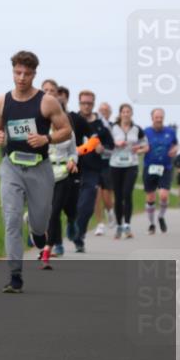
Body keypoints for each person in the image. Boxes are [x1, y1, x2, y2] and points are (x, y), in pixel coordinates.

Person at [0, 51, 71, 293]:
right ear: (13, 71)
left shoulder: (47, 102)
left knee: (40, 220)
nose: (21, 77)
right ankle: (15, 275)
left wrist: (47, 138)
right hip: (11, 167)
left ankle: (37, 232)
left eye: (26, 73)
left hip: (39, 168)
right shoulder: (2, 101)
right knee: (11, 219)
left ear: (34, 74)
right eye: (17, 72)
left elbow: (65, 130)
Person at [41, 81, 80, 263]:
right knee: (43, 212)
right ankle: (38, 232)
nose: (49, 93)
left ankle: (49, 249)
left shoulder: (66, 122)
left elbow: (73, 150)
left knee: (55, 211)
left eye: (52, 91)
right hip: (42, 172)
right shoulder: (37, 122)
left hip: (63, 172)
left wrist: (72, 161)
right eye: (45, 90)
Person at [70, 90, 113, 253]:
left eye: (89, 103)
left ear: (93, 104)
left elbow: (111, 147)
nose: (86, 106)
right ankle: (69, 228)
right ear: (79, 103)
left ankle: (79, 236)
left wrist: (103, 149)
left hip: (93, 170)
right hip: (72, 167)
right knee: (71, 204)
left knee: (87, 206)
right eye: (84, 103)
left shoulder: (101, 125)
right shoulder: (72, 119)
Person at [109, 103, 148, 239]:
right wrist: (115, 143)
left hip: (131, 164)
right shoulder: (113, 128)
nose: (126, 114)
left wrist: (139, 149)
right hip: (115, 164)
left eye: (128, 112)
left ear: (131, 114)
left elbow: (146, 146)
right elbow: (106, 143)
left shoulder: (137, 129)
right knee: (118, 196)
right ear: (120, 114)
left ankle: (127, 225)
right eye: (123, 112)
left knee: (127, 193)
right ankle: (119, 226)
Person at [143, 108, 179, 234]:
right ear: (152, 118)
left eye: (161, 117)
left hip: (166, 167)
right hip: (149, 167)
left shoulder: (170, 131)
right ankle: (152, 224)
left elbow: (176, 144)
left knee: (163, 195)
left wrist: (175, 149)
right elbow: (140, 145)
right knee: (151, 197)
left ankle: (161, 216)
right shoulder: (146, 132)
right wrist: (142, 149)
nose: (159, 119)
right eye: (156, 117)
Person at [95, 101, 116, 234]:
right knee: (96, 194)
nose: (103, 112)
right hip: (94, 164)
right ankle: (100, 224)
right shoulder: (93, 125)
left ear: (110, 113)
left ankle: (110, 211)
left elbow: (116, 148)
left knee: (106, 195)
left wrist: (104, 150)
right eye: (101, 110)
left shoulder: (114, 127)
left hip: (109, 164)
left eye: (106, 110)